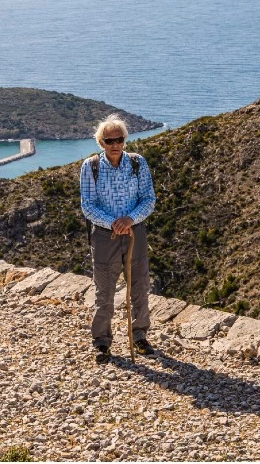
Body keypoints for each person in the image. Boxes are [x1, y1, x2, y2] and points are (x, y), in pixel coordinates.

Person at [80, 114, 157, 363]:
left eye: (119, 139)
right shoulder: (90, 167)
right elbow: (87, 205)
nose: (115, 144)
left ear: (125, 140)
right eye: (109, 140)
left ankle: (140, 337)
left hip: (135, 232)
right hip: (105, 236)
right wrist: (112, 223)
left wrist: (130, 219)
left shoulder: (138, 163)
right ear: (101, 142)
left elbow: (148, 199)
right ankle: (102, 342)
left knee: (140, 287)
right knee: (104, 291)